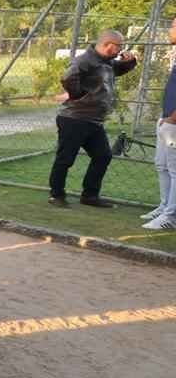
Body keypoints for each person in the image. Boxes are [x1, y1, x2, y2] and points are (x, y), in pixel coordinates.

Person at [48, 29, 137, 208]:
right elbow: (68, 78)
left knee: (103, 156)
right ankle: (56, 195)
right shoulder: (85, 60)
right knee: (65, 158)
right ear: (108, 45)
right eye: (119, 46)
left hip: (93, 120)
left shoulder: (107, 62)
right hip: (75, 118)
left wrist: (130, 62)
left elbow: (118, 69)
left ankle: (90, 196)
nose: (120, 50)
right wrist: (77, 94)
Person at [141, 15, 176, 230]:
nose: (169, 30)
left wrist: (173, 118)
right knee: (161, 164)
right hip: (167, 120)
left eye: (173, 26)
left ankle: (171, 215)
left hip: (174, 123)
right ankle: (164, 207)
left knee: (174, 169)